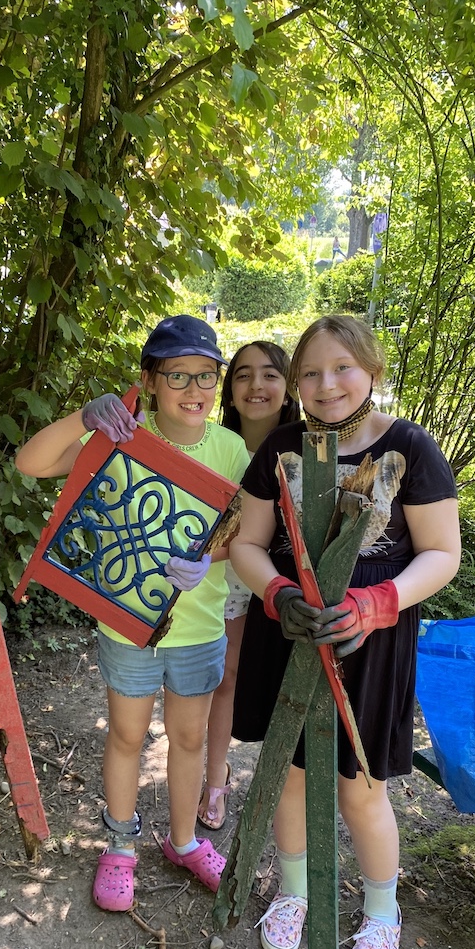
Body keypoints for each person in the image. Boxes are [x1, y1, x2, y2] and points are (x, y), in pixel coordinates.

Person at [230, 314, 460, 949]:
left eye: (342, 368)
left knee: (360, 789)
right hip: (291, 631)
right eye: (310, 372)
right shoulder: (280, 445)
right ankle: (295, 894)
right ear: (295, 381)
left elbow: (442, 553)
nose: (325, 384)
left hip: (372, 640)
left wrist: (376, 603)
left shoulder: (410, 447)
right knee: (291, 776)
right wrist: (276, 595)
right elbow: (246, 542)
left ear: (372, 370)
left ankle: (382, 915)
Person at [15, 315, 250, 911]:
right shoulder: (121, 436)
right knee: (125, 733)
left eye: (206, 376)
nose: (194, 390)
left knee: (191, 736)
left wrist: (214, 556)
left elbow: (250, 526)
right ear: (148, 380)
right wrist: (85, 416)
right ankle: (120, 845)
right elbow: (30, 463)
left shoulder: (229, 448)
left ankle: (184, 841)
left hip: (198, 627)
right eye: (178, 375)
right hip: (127, 623)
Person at [197, 341, 300, 831]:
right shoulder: (212, 443)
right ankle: (215, 779)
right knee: (225, 678)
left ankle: (289, 788)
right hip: (226, 576)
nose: (256, 386)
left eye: (270, 374)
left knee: (286, 685)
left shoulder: (309, 445)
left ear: (289, 386)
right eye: (243, 375)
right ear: (229, 391)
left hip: (290, 581)